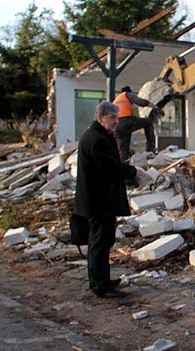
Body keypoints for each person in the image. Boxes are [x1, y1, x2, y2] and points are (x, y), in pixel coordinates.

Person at [73, 101, 144, 298]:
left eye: (116, 118)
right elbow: (109, 168)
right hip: (98, 201)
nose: (115, 122)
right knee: (100, 241)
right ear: (100, 118)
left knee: (103, 240)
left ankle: (101, 279)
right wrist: (133, 171)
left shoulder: (99, 136)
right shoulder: (96, 139)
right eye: (112, 118)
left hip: (100, 199)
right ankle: (100, 285)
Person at [113, 85, 160, 162]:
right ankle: (150, 149)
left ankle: (123, 168)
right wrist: (155, 107)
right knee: (148, 122)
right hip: (126, 121)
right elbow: (141, 102)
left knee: (124, 151)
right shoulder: (127, 94)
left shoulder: (116, 100)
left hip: (117, 126)